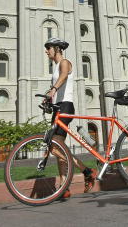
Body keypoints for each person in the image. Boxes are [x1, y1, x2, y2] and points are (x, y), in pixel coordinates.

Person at [44, 38, 97, 198]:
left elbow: (64, 76)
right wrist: (48, 97)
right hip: (59, 107)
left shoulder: (64, 62)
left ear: (57, 49)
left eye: (48, 48)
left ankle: (87, 171)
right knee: (58, 147)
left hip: (66, 106)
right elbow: (59, 82)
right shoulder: (55, 68)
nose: (46, 51)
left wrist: (53, 89)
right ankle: (64, 186)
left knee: (54, 146)